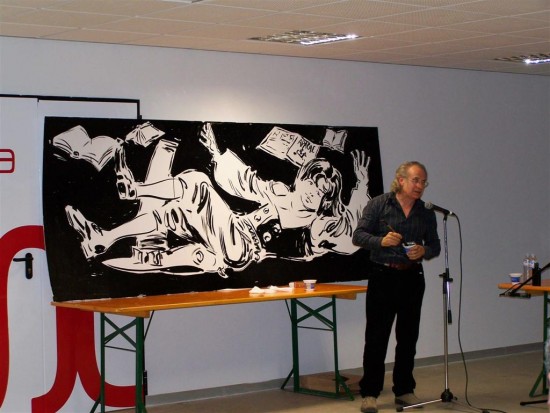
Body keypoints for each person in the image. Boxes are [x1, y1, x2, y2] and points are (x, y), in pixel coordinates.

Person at [65, 123, 372, 276]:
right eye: (308, 185)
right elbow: (248, 182)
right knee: (172, 213)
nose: (309, 194)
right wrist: (216, 153)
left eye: (319, 193)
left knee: (197, 183)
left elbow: (352, 237)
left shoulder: (320, 226)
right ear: (301, 179)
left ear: (326, 199)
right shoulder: (281, 193)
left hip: (244, 247)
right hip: (230, 236)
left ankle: (137, 190)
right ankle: (103, 238)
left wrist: (361, 185)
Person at [352, 161, 441, 413]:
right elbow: (358, 235)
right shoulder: (379, 204)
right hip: (383, 276)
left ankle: (404, 391)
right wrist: (381, 241)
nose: (420, 186)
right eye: (416, 180)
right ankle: (370, 393)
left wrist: (424, 251)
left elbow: (435, 245)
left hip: (412, 277)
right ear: (401, 180)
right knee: (376, 337)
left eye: (423, 182)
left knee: (408, 337)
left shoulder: (426, 212)